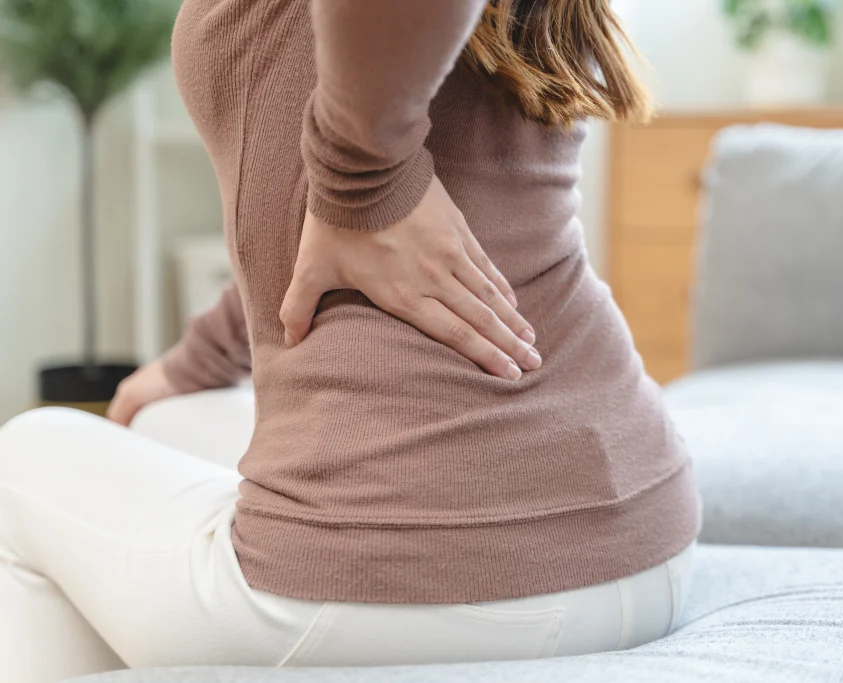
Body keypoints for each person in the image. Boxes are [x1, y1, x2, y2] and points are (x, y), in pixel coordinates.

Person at [0, 1, 701, 680]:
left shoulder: (366, 141)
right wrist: (196, 362)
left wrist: (360, 178)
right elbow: (296, 215)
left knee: (23, 455)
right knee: (160, 423)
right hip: (642, 540)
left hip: (407, 594)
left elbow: (344, 201)